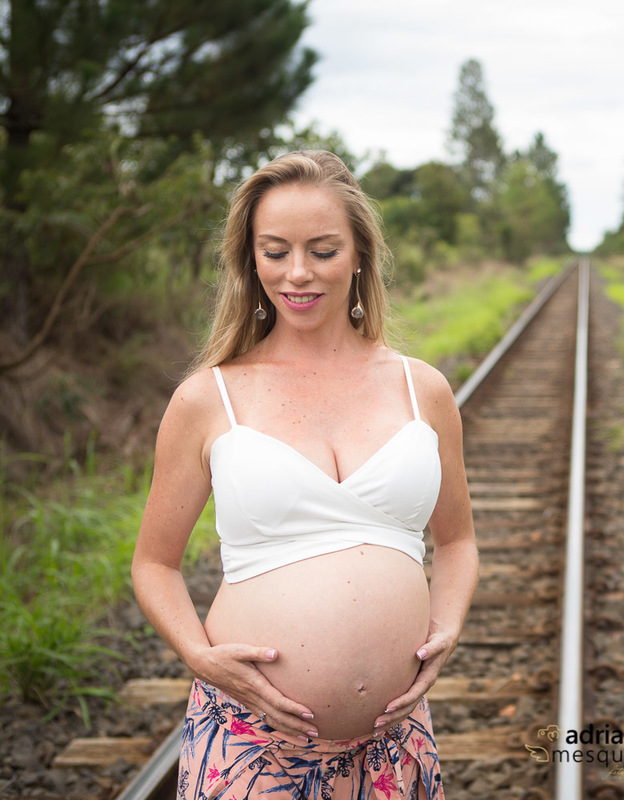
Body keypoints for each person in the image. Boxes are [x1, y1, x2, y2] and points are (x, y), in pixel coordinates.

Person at [131, 150, 478, 800]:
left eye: (322, 250)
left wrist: (447, 626)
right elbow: (154, 563)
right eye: (275, 251)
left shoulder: (422, 389)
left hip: (392, 747)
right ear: (249, 259)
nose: (297, 274)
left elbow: (457, 541)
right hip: (251, 746)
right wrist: (198, 656)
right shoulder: (209, 399)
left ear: (359, 255)